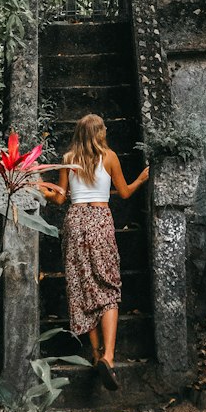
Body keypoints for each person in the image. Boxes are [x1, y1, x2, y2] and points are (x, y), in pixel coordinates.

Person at [41, 113, 149, 391]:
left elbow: (60, 198)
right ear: (99, 133)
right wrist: (141, 179)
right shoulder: (110, 157)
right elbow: (124, 193)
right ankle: (109, 357)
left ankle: (95, 353)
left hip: (75, 222)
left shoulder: (68, 158)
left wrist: (41, 188)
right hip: (101, 221)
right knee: (108, 287)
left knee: (82, 287)